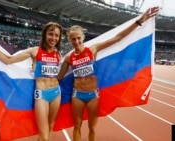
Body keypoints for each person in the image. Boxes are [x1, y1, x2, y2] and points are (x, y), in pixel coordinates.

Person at [57, 7, 159, 141]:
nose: (76, 42)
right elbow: (58, 78)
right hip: (77, 96)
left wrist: (139, 21)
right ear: (69, 40)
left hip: (93, 95)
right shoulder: (69, 58)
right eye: (73, 39)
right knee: (77, 125)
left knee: (92, 128)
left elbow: (118, 38)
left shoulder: (93, 49)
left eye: (78, 38)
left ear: (83, 37)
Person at [0, 22, 63, 141]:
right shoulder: (35, 51)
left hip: (56, 93)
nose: (54, 38)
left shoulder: (58, 54)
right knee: (43, 134)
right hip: (42, 95)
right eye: (51, 34)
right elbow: (8, 60)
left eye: (57, 35)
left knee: (51, 127)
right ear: (45, 35)